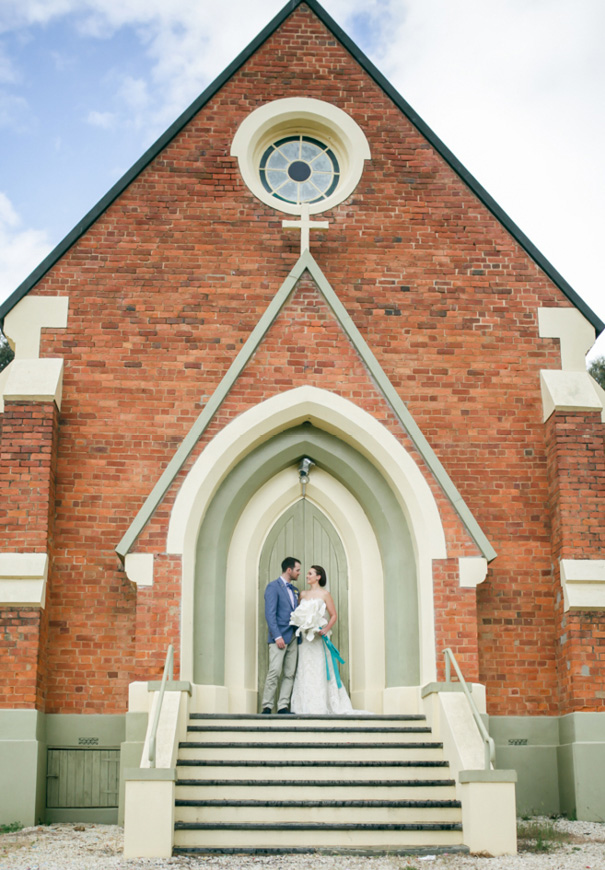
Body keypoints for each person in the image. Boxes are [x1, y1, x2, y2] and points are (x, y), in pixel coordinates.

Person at [290, 564, 362, 715]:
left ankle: (322, 704)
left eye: (310, 573)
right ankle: (304, 705)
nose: (307, 576)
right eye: (307, 574)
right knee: (305, 668)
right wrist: (304, 625)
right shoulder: (302, 594)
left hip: (318, 638)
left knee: (319, 668)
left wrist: (325, 629)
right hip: (305, 638)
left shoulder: (325, 594)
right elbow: (298, 614)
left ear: (318, 576)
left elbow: (333, 615)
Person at [261, 556, 301, 714]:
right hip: (279, 637)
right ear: (289, 570)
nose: (299, 573)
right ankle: (267, 706)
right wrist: (277, 636)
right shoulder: (273, 587)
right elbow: (270, 614)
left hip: (293, 636)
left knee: (289, 673)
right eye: (297, 570)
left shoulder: (295, 590)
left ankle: (283, 706)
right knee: (274, 671)